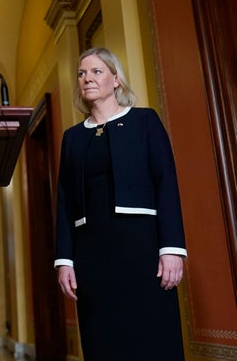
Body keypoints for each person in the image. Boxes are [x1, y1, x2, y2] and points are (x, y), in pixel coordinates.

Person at [54, 47, 187, 360]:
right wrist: (64, 260)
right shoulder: (72, 138)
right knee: (104, 341)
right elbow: (64, 202)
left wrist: (172, 249)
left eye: (96, 71)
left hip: (142, 250)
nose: (87, 78)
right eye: (82, 73)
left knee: (153, 337)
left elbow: (166, 183)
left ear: (115, 79)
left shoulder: (145, 122)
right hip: (92, 256)